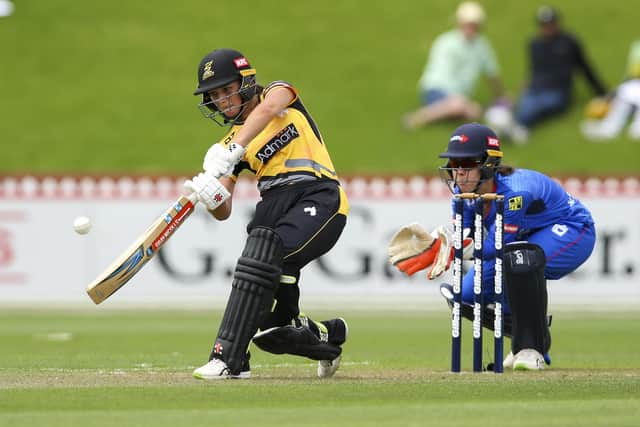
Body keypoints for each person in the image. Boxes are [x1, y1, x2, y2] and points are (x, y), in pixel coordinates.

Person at [184, 48, 350, 380]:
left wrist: (233, 150)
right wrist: (211, 194)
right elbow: (224, 210)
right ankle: (313, 336)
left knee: (271, 258)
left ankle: (259, 338)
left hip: (317, 192)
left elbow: (270, 108)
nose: (222, 101)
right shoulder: (229, 143)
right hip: (272, 204)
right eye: (214, 96)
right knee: (257, 295)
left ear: (246, 82)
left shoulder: (278, 94)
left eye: (226, 90)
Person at [388, 123, 596, 370]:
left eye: (466, 165)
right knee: (464, 298)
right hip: (526, 240)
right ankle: (529, 332)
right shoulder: (462, 194)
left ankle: (531, 347)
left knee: (520, 261)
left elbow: (496, 247)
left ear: (488, 165)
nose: (458, 173)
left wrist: (456, 249)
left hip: (573, 230)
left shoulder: (515, 193)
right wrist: (439, 247)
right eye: (454, 165)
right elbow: (465, 237)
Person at [509, 6, 608, 143]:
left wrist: (602, 91)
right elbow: (534, 69)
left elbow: (585, 68)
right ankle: (514, 126)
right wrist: (528, 83)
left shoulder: (569, 42)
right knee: (526, 102)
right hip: (536, 88)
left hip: (559, 91)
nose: (548, 27)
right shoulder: (534, 44)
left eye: (551, 23)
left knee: (536, 106)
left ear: (557, 22)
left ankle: (519, 127)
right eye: (544, 24)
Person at [402, 1, 507, 130]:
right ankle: (417, 118)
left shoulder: (482, 46)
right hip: (436, 90)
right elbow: (442, 74)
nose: (470, 28)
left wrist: (501, 96)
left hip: (460, 97)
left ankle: (448, 112)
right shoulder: (446, 42)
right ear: (460, 23)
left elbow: (492, 73)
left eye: (474, 25)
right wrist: (458, 99)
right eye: (468, 24)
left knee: (474, 112)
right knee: (458, 105)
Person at [581, 39, 640, 140]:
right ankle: (610, 128)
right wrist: (609, 97)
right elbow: (632, 74)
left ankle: (637, 128)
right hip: (635, 83)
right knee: (624, 94)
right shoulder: (637, 47)